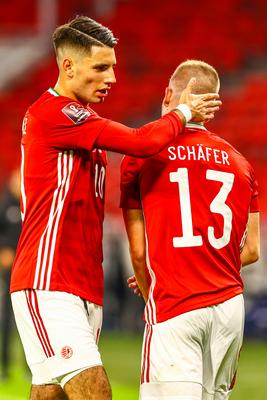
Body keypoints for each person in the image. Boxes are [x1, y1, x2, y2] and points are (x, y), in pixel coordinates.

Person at [10, 16, 221, 400]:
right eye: (101, 67)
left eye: (114, 67)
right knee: (94, 392)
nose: (112, 78)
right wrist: (184, 112)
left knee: (51, 392)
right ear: (68, 66)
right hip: (49, 280)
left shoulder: (80, 120)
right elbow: (141, 142)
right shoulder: (55, 113)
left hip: (82, 282)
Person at [120, 60, 260, 400]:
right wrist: (204, 264)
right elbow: (252, 250)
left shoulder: (143, 154)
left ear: (169, 94)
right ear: (211, 107)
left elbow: (139, 253)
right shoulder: (241, 163)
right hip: (229, 309)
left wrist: (156, 276)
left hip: (176, 302)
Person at [0, 169, 21, 380]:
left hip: (26, 270)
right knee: (7, 319)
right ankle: (4, 366)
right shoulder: (5, 205)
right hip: (9, 271)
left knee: (29, 322)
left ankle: (31, 369)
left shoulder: (29, 204)